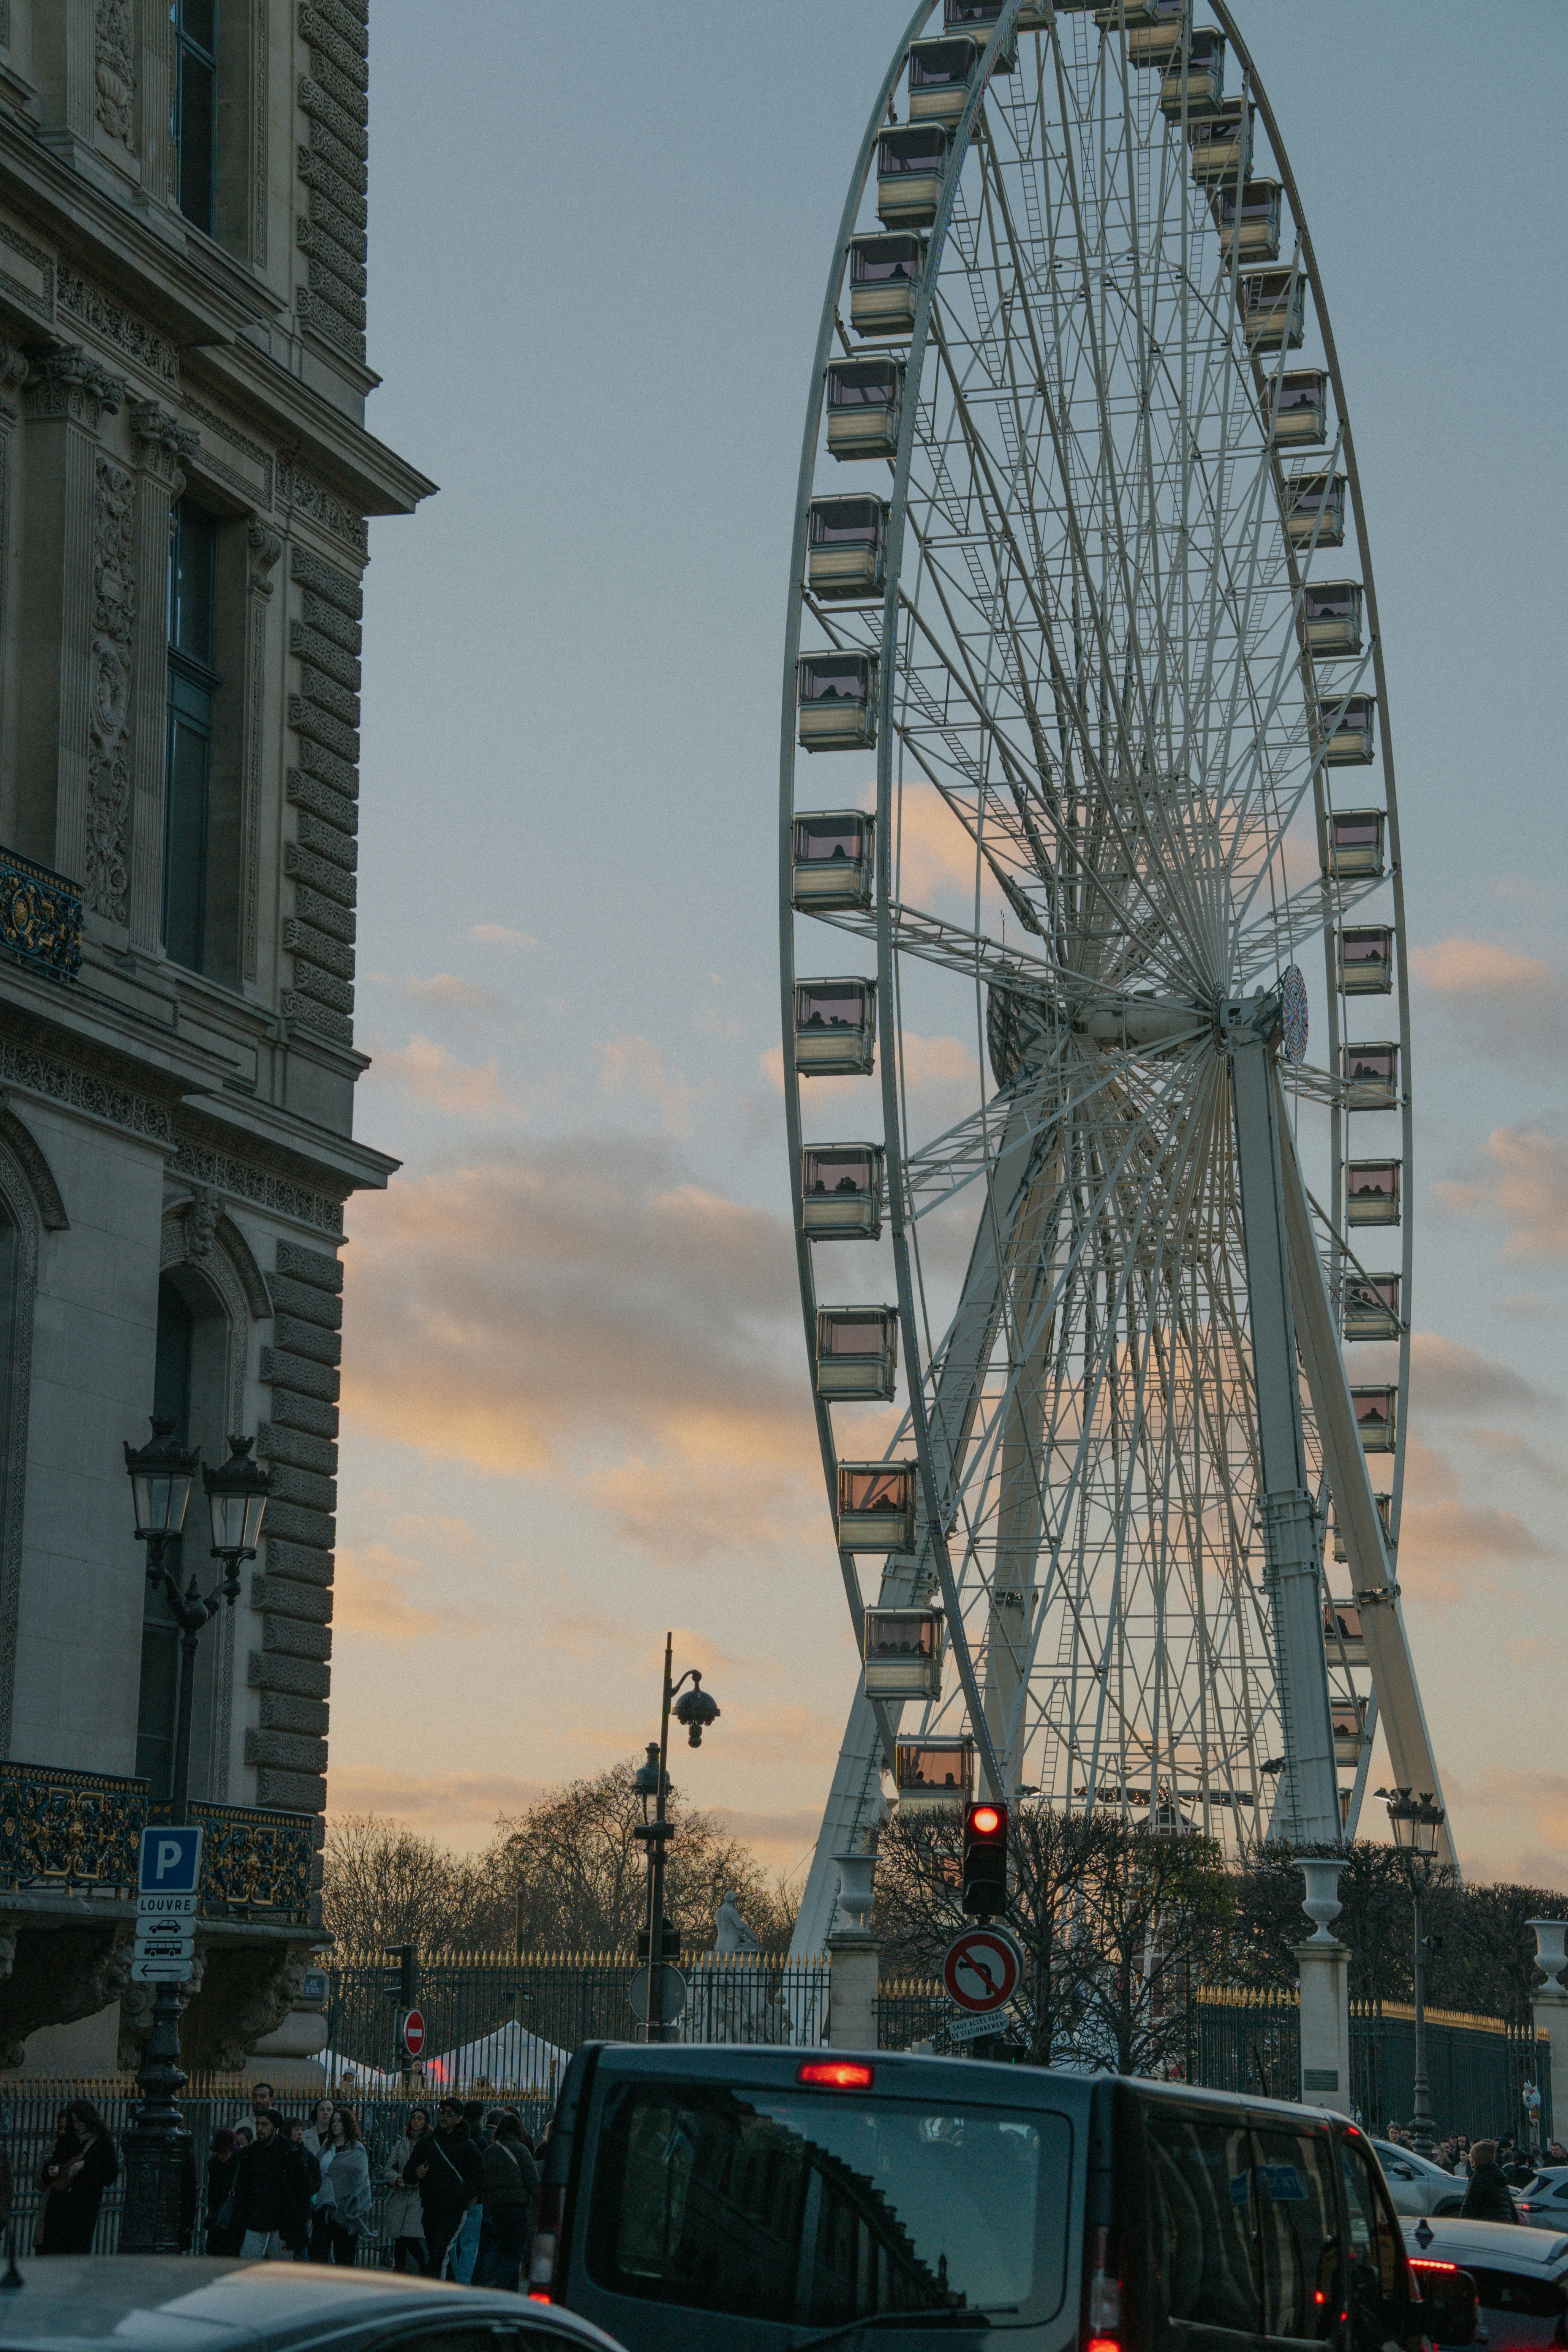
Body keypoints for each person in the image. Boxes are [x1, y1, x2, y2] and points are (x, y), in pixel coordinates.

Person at [404, 2098, 480, 2280]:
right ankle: (443, 2287)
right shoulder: (428, 2143)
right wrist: (417, 2173)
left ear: (458, 2119)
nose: (444, 2117)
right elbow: (408, 2173)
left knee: (441, 2252)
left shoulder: (468, 2147)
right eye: (442, 2112)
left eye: (449, 2113)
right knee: (435, 2252)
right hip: (431, 2207)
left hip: (454, 2209)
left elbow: (478, 2179)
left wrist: (461, 2195)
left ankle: (438, 2293)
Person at [35, 2099, 117, 2255]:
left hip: (84, 2208)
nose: (78, 2126)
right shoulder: (68, 2139)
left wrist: (86, 2165)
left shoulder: (102, 2141)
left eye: (81, 2122)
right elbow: (53, 2164)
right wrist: (52, 2170)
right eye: (75, 2123)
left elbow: (110, 2174)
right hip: (59, 2206)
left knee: (77, 2252)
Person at [232, 2110, 312, 2260]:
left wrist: (300, 2215)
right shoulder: (249, 2154)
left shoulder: (290, 2151)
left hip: (282, 2224)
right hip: (255, 2222)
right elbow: (243, 2188)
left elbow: (303, 2186)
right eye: (258, 2125)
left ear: (275, 2127)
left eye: (265, 2125)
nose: (261, 2129)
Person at [476, 2110, 538, 2291]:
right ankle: (497, 2284)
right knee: (514, 2254)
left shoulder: (490, 2151)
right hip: (517, 2208)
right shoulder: (521, 2150)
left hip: (495, 2207)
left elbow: (484, 2180)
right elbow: (533, 2181)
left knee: (501, 2250)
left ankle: (509, 2291)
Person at [310, 2106, 371, 2265]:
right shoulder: (326, 2147)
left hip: (345, 2210)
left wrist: (353, 2202)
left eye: (340, 2121)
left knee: (344, 2258)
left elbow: (361, 2177)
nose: (336, 2124)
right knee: (319, 2255)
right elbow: (317, 2172)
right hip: (324, 2209)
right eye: (334, 2121)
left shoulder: (356, 2149)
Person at [383, 2108, 429, 2275]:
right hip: (401, 2194)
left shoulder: (429, 2144)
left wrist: (413, 2180)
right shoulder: (401, 2144)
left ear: (426, 2122)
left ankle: (424, 2267)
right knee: (400, 2238)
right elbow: (388, 2169)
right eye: (414, 2118)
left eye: (420, 2118)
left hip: (417, 2197)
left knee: (410, 2236)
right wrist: (397, 2179)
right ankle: (400, 2270)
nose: (416, 2121)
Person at [446, 2104, 487, 2284]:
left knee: (452, 2241)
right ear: (480, 2117)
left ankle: (455, 2275)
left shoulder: (452, 2138)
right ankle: (464, 2280)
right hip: (475, 2198)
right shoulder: (482, 2140)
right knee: (470, 2244)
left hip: (454, 2195)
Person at [205, 2127, 245, 2257]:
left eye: (224, 2152)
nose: (221, 2155)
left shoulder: (240, 2164)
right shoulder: (215, 2165)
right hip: (220, 2217)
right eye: (219, 2152)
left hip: (235, 2218)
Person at [1460, 2139, 1520, 2224]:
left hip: (1489, 2228)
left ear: (1476, 2159)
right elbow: (1512, 2211)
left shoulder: (1478, 2178)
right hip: (1506, 2228)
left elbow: (1468, 2209)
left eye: (1472, 2157)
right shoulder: (1500, 2176)